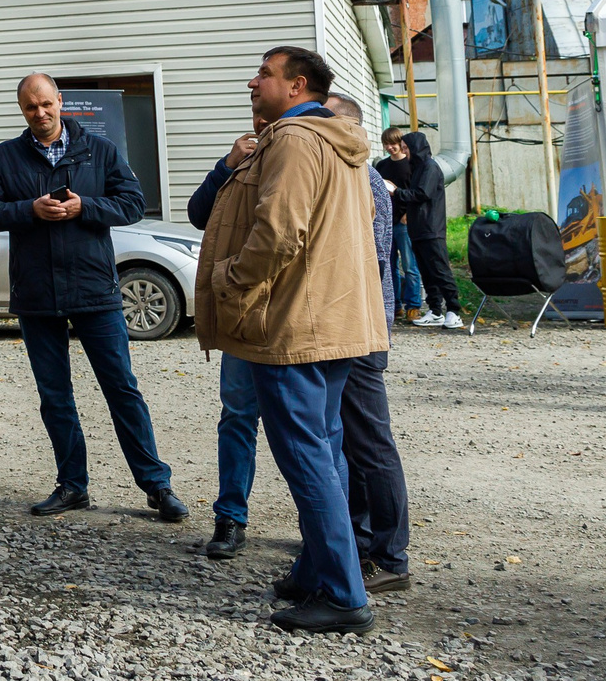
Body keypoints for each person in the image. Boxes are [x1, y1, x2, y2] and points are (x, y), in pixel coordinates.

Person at [196, 46, 388, 634]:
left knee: (307, 455)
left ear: (296, 84)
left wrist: (230, 278)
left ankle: (342, 594)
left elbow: (279, 231)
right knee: (324, 450)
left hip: (295, 327)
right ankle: (317, 568)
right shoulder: (333, 140)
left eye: (263, 74)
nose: (251, 81)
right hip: (328, 323)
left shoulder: (296, 141)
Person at [0, 72, 189, 523]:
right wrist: (29, 210)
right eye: (31, 107)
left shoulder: (99, 150)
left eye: (47, 104)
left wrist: (83, 207)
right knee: (55, 396)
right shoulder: (4, 156)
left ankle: (157, 485)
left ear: (60, 101)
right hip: (36, 294)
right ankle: (73, 486)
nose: (41, 113)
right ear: (22, 110)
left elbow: (131, 203)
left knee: (123, 390)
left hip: (95, 290)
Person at [326, 94, 412, 595]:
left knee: (371, 443)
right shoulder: (350, 173)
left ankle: (390, 556)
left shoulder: (365, 180)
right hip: (346, 327)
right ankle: (356, 542)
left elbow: (367, 259)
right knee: (349, 441)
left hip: (358, 328)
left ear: (350, 129)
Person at [186, 118, 264, 559]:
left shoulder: (310, 154)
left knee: (311, 429)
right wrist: (227, 164)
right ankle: (230, 517)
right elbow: (200, 213)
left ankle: (326, 529)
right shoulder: (243, 160)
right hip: (243, 313)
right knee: (237, 415)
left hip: (292, 316)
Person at [378, 129, 460, 330]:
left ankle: (454, 311)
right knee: (426, 270)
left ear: (415, 148)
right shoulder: (418, 168)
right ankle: (435, 310)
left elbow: (422, 193)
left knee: (440, 270)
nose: (404, 152)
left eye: (406, 148)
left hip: (431, 228)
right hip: (418, 228)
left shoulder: (430, 168)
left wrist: (396, 192)